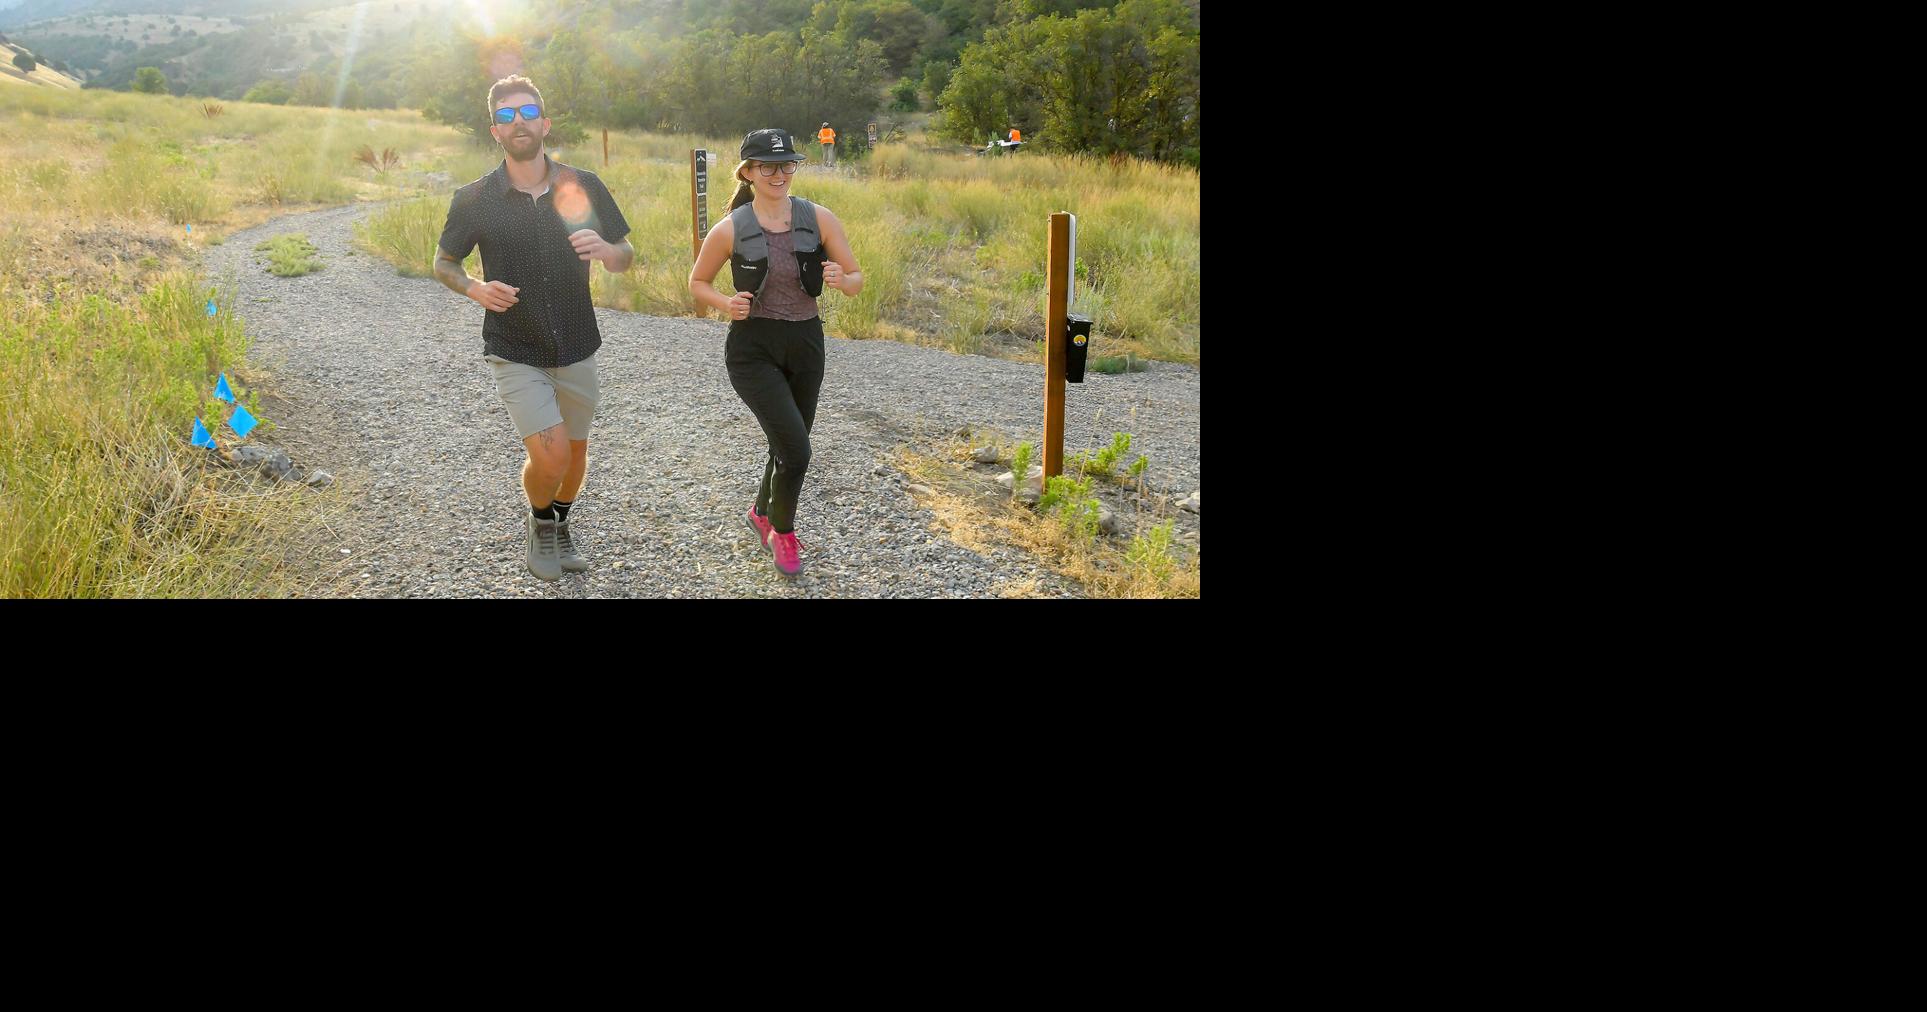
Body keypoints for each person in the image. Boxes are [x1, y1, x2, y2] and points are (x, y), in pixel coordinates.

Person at [434, 75, 635, 581]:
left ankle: (559, 522)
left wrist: (609, 252)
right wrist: (474, 288)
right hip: (513, 345)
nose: (517, 122)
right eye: (506, 116)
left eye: (526, 113)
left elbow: (625, 254)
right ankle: (541, 522)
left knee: (576, 454)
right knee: (550, 455)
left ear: (544, 123)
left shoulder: (583, 184)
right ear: (494, 131)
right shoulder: (474, 198)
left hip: (578, 341)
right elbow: (445, 263)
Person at [687, 129, 864, 577]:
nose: (779, 173)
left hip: (807, 343)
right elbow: (697, 283)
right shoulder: (731, 228)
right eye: (767, 165)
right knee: (797, 450)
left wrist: (844, 281)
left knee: (786, 441)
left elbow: (856, 277)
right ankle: (781, 532)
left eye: (787, 164)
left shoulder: (819, 218)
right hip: (753, 349)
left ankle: (761, 512)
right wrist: (726, 304)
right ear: (747, 172)